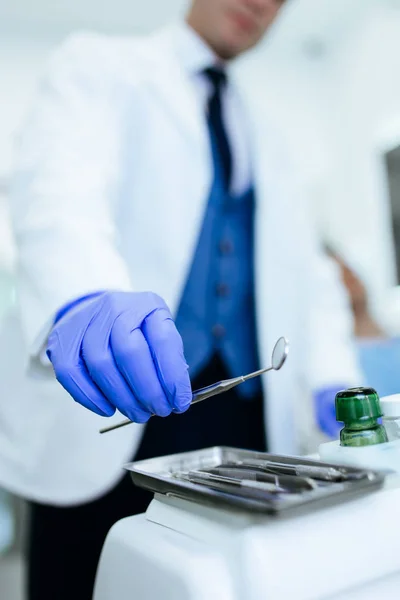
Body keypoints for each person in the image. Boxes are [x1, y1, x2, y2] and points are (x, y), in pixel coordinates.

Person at [0, 1, 361, 598]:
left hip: (242, 418)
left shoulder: (268, 134)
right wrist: (82, 295)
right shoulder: (101, 64)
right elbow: (59, 190)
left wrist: (334, 378)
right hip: (113, 411)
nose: (261, 5)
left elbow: (308, 274)